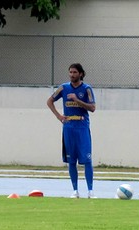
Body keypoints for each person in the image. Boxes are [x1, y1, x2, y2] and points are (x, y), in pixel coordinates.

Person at [47, 63, 96, 198]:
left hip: (82, 126)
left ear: (80, 74)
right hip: (68, 127)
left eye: (75, 72)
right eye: (70, 72)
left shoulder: (86, 89)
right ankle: (75, 190)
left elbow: (92, 108)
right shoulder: (63, 88)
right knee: (71, 161)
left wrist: (78, 100)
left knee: (86, 160)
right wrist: (59, 116)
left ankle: (90, 191)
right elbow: (49, 101)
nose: (72, 75)